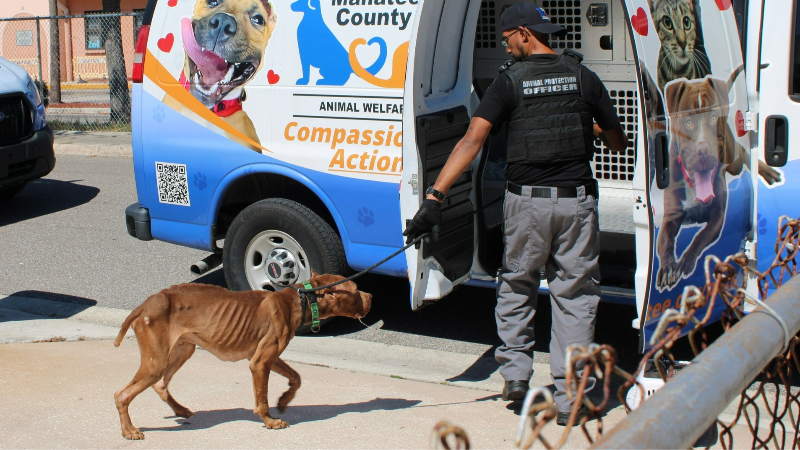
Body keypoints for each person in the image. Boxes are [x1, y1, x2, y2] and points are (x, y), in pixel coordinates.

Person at [402, 1, 627, 426]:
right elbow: (618, 143)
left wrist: (434, 197)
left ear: (524, 33)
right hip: (576, 204)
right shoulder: (584, 76)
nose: (506, 49)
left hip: (526, 204)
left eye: (508, 40)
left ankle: (516, 376)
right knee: (575, 299)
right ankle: (570, 399)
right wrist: (593, 130)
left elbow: (471, 140)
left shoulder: (509, 83)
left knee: (517, 284)